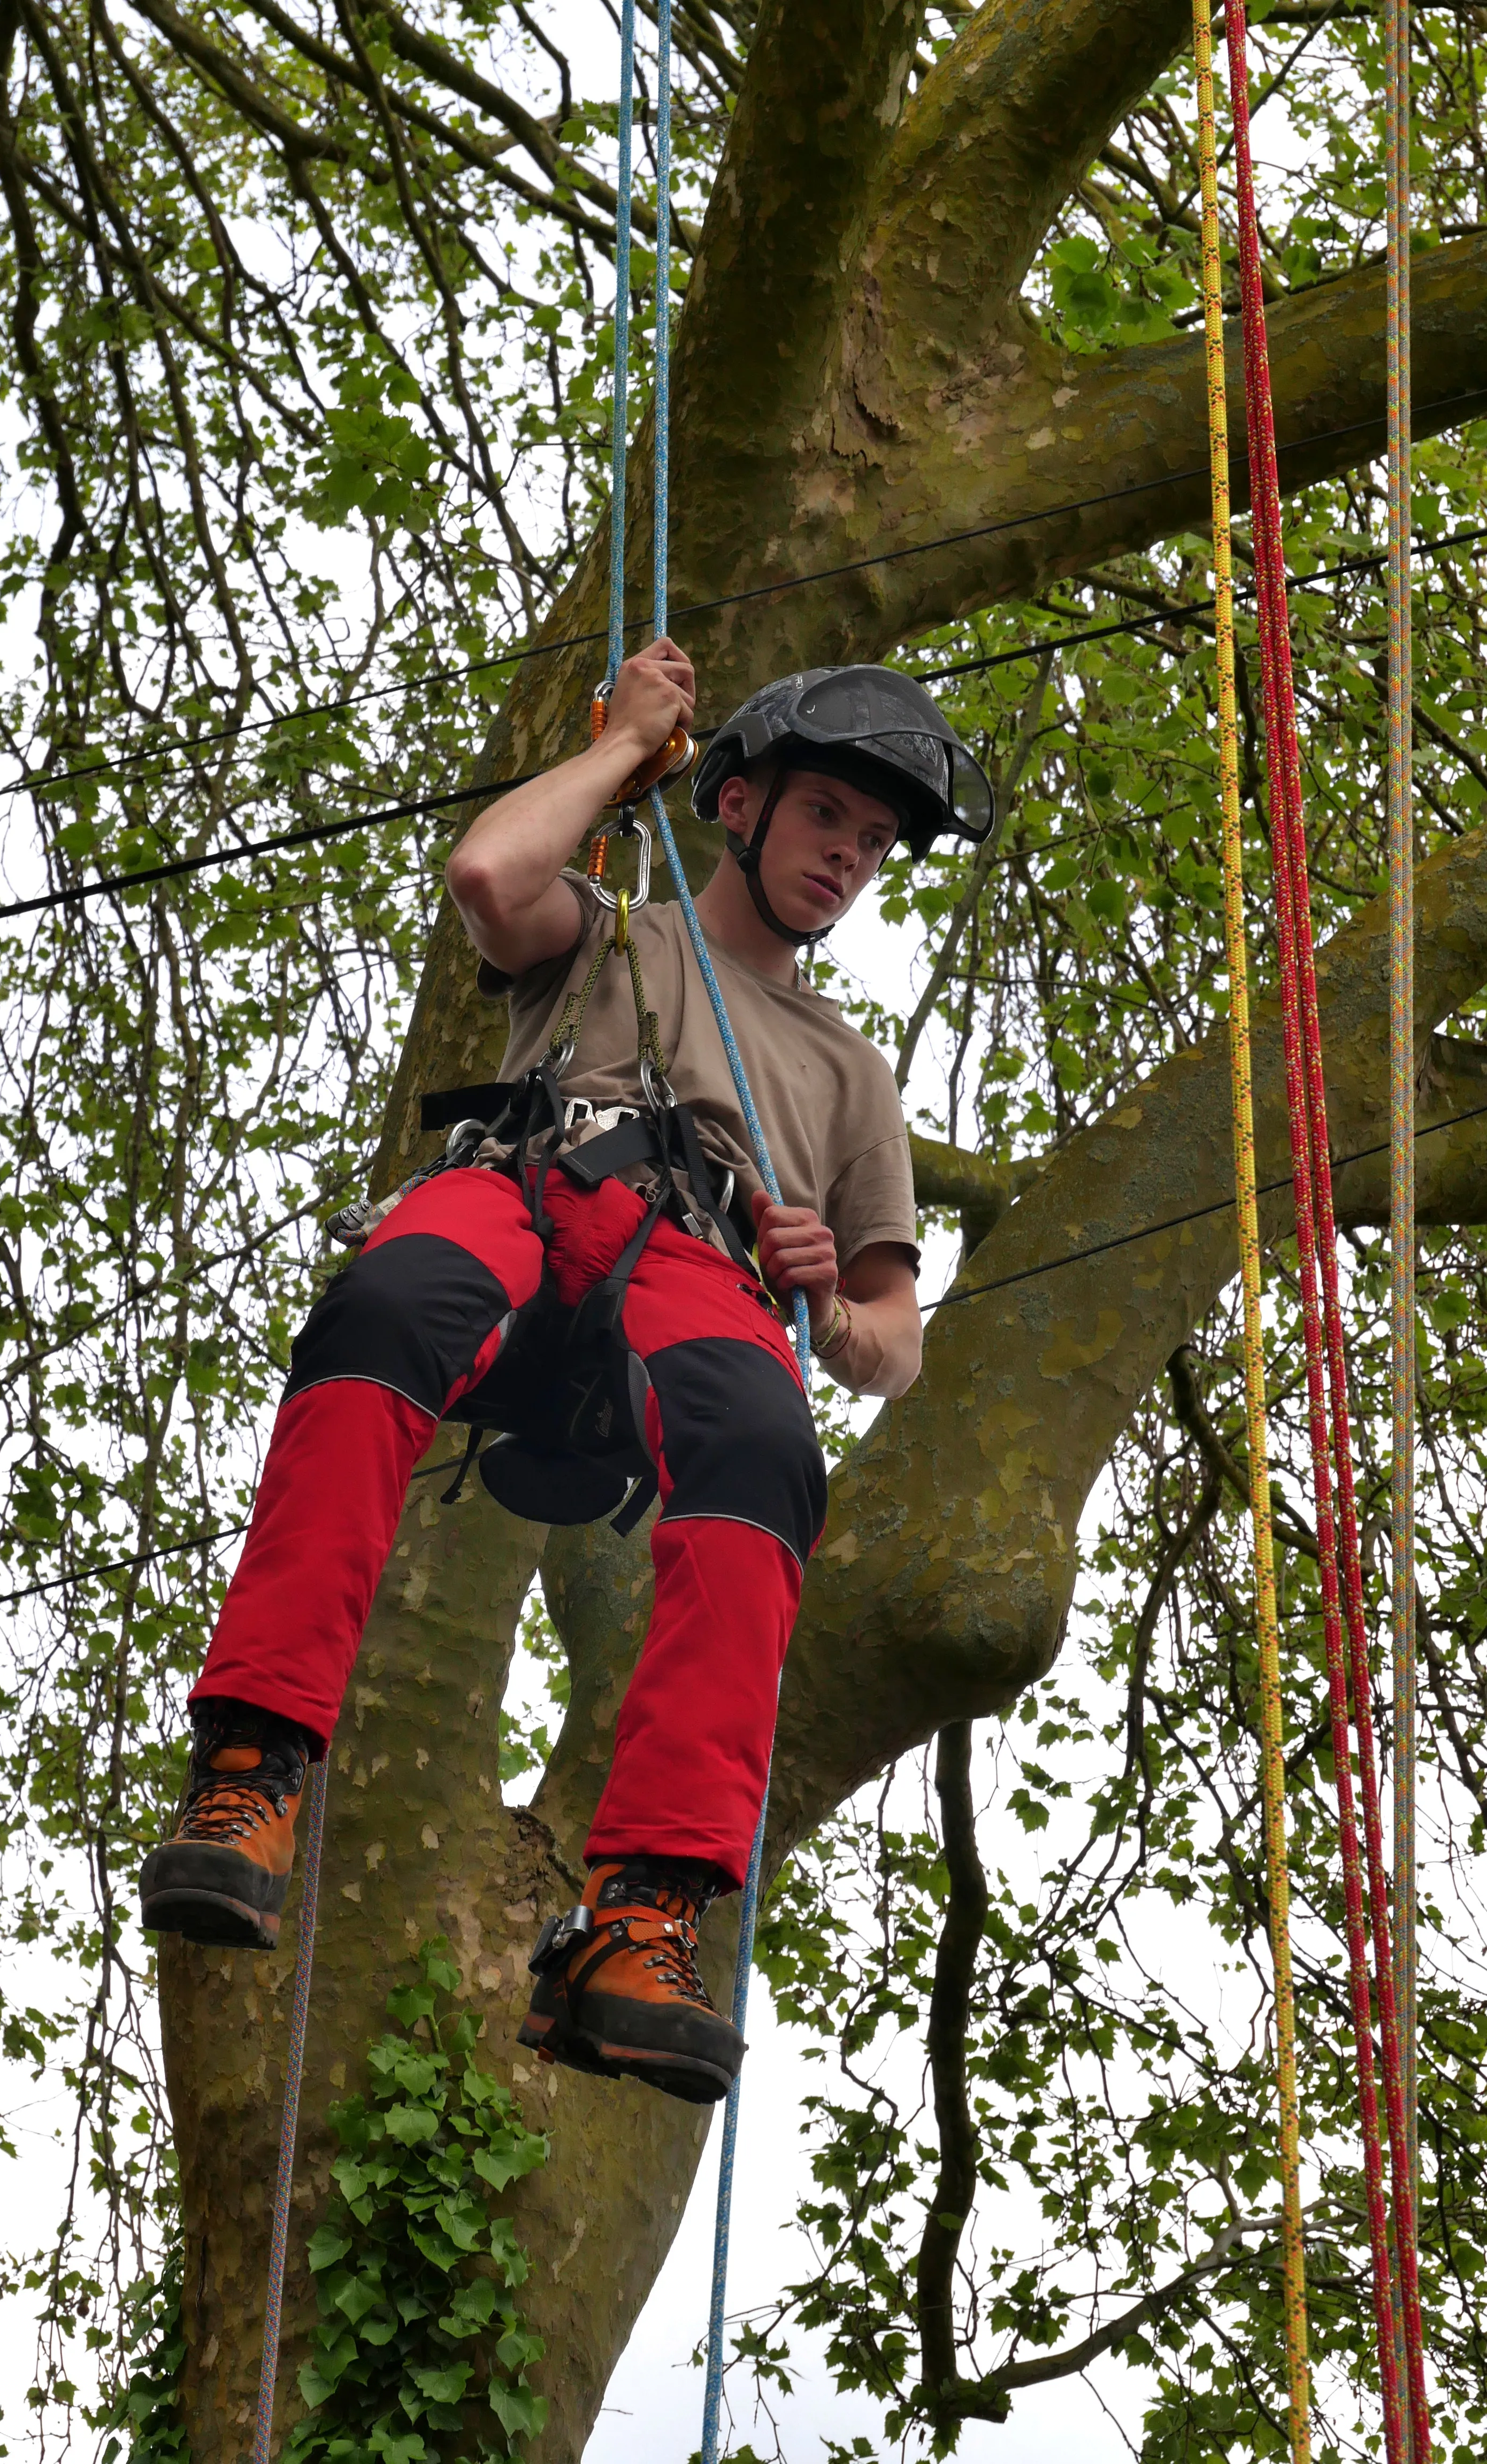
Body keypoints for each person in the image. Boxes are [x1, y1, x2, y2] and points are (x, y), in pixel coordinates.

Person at [139, 641, 995, 2104]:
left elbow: (893, 1346)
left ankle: (642, 1919)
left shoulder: (851, 1077)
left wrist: (828, 1309)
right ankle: (253, 1771)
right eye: (824, 822)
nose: (847, 861)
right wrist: (629, 748)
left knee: (767, 1464)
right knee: (389, 1302)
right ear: (741, 806)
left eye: (871, 847)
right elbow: (486, 875)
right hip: (534, 1184)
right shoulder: (612, 931)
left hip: (704, 1264)